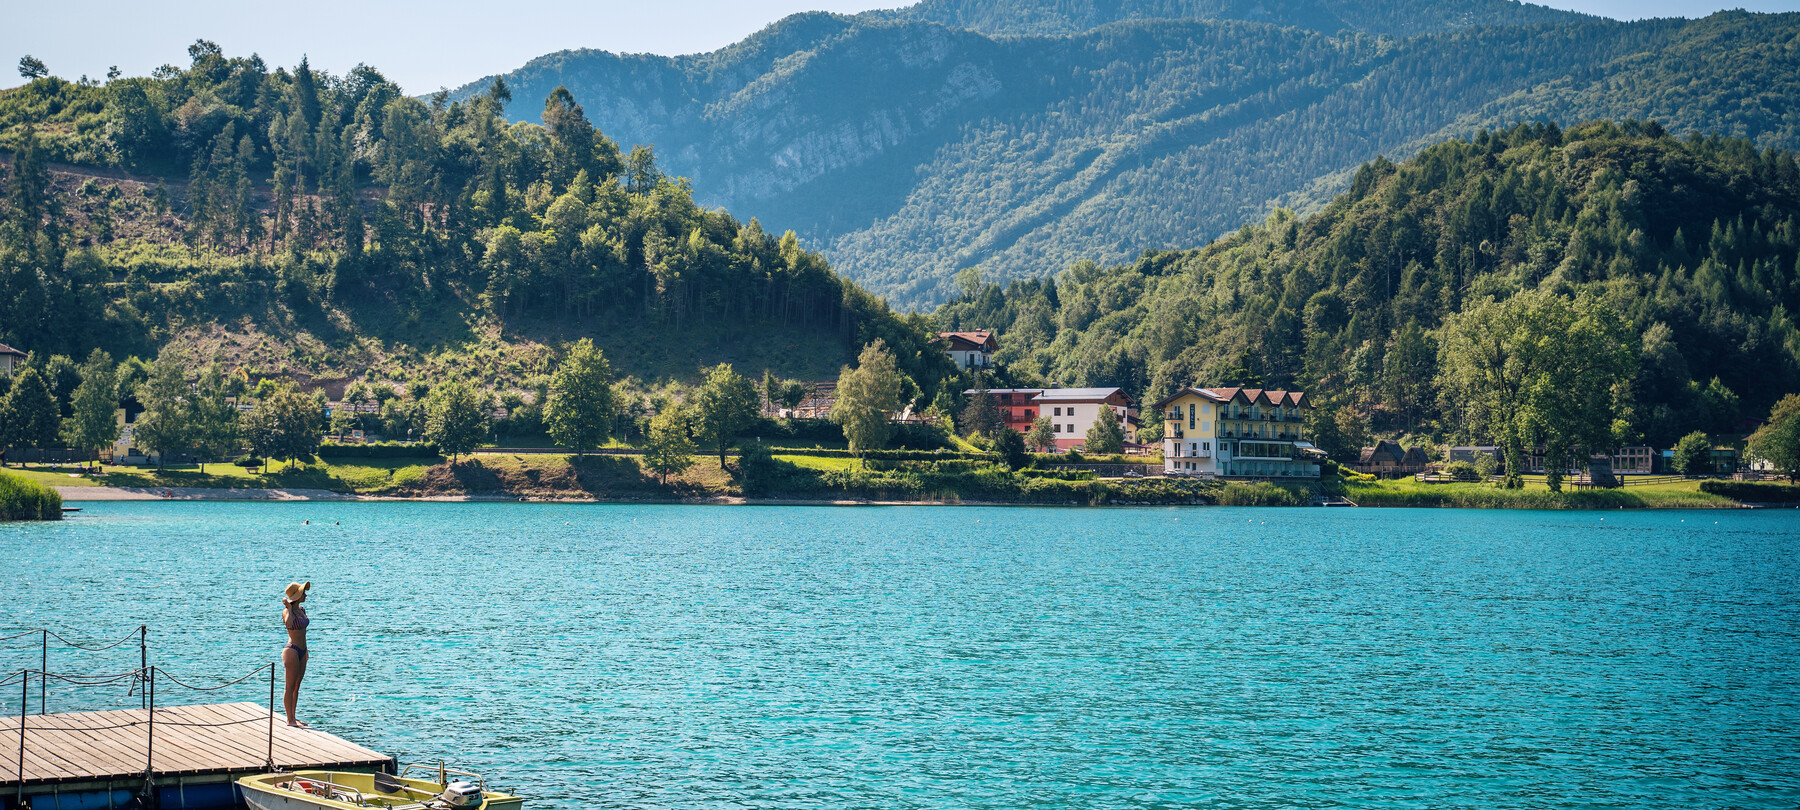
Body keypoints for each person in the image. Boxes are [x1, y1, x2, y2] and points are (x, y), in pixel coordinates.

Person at [281, 581, 312, 727]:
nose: (305, 594)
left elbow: (304, 632)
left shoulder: (302, 609)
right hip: (292, 650)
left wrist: (307, 651)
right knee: (290, 686)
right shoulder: (287, 612)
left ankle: (294, 716)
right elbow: (288, 624)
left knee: (297, 686)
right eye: (303, 593)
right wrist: (289, 608)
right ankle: (290, 719)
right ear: (297, 596)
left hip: (302, 650)